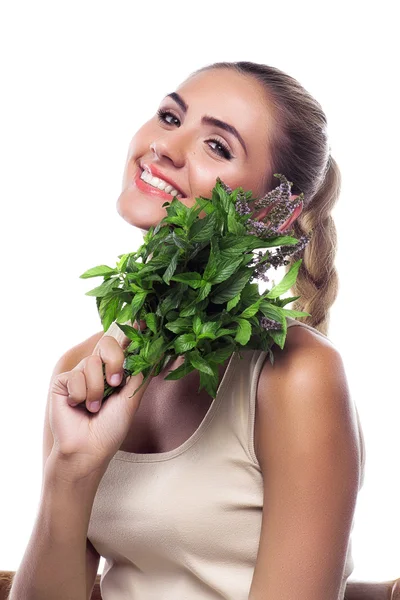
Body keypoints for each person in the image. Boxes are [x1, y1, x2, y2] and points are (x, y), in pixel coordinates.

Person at [9, 61, 366, 600]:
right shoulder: (81, 371)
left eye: (218, 146)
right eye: (170, 117)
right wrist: (72, 471)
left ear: (271, 215)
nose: (166, 147)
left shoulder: (296, 374)